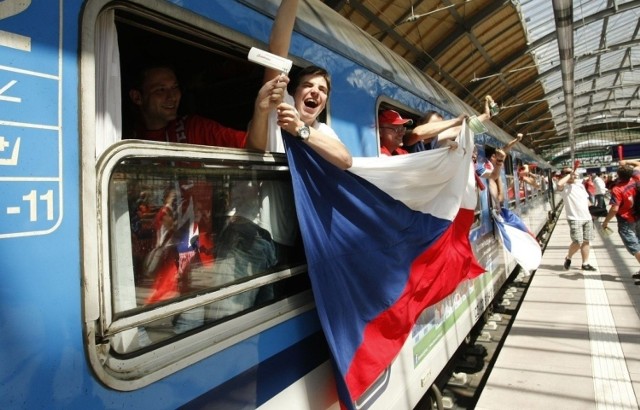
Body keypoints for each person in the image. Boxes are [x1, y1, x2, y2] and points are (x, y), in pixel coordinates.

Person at [257, 0, 352, 169]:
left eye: (322, 89)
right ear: (294, 94)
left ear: (323, 106)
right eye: (308, 85)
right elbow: (277, 53)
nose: (315, 91)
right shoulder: (278, 106)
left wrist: (299, 128)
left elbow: (345, 160)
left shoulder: (322, 130)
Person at [602, 162, 640, 279]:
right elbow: (638, 165)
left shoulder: (617, 189)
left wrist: (606, 221)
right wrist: (627, 163)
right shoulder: (635, 180)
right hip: (637, 216)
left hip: (625, 220)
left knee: (634, 246)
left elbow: (614, 208)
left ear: (618, 175)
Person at [556, 168, 597, 271]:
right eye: (567, 172)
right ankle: (569, 257)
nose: (571, 174)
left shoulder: (580, 185)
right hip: (574, 218)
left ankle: (585, 263)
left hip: (587, 217)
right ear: (563, 175)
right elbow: (559, 184)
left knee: (586, 241)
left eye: (572, 172)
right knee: (577, 241)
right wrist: (569, 175)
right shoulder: (564, 187)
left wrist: (594, 211)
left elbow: (586, 200)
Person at [476, 133, 522, 210]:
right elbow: (506, 148)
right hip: (490, 180)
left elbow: (507, 148)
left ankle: (498, 204)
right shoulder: (486, 164)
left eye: (501, 158)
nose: (501, 159)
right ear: (493, 156)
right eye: (498, 157)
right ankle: (497, 203)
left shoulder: (496, 161)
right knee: (492, 179)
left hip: (495, 180)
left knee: (500, 190)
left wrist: (517, 140)